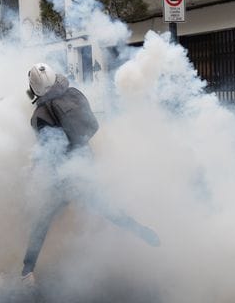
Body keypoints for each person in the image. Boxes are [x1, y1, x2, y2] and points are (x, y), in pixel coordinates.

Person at [21, 63, 159, 284]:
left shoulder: (40, 115)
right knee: (108, 209)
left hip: (65, 177)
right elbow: (88, 127)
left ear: (34, 90)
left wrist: (35, 169)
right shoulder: (72, 94)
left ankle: (27, 270)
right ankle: (144, 232)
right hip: (85, 166)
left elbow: (50, 152)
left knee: (42, 219)